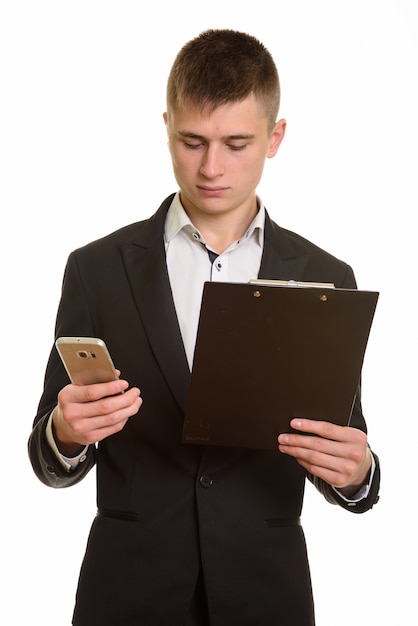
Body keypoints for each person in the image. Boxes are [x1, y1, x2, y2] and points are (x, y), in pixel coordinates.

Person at [28, 28, 380, 626]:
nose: (211, 167)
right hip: (128, 596)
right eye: (191, 141)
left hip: (267, 594)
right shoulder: (95, 268)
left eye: (236, 143)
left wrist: (359, 475)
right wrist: (64, 431)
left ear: (276, 137)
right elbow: (46, 453)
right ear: (166, 125)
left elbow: (346, 441)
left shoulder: (326, 276)